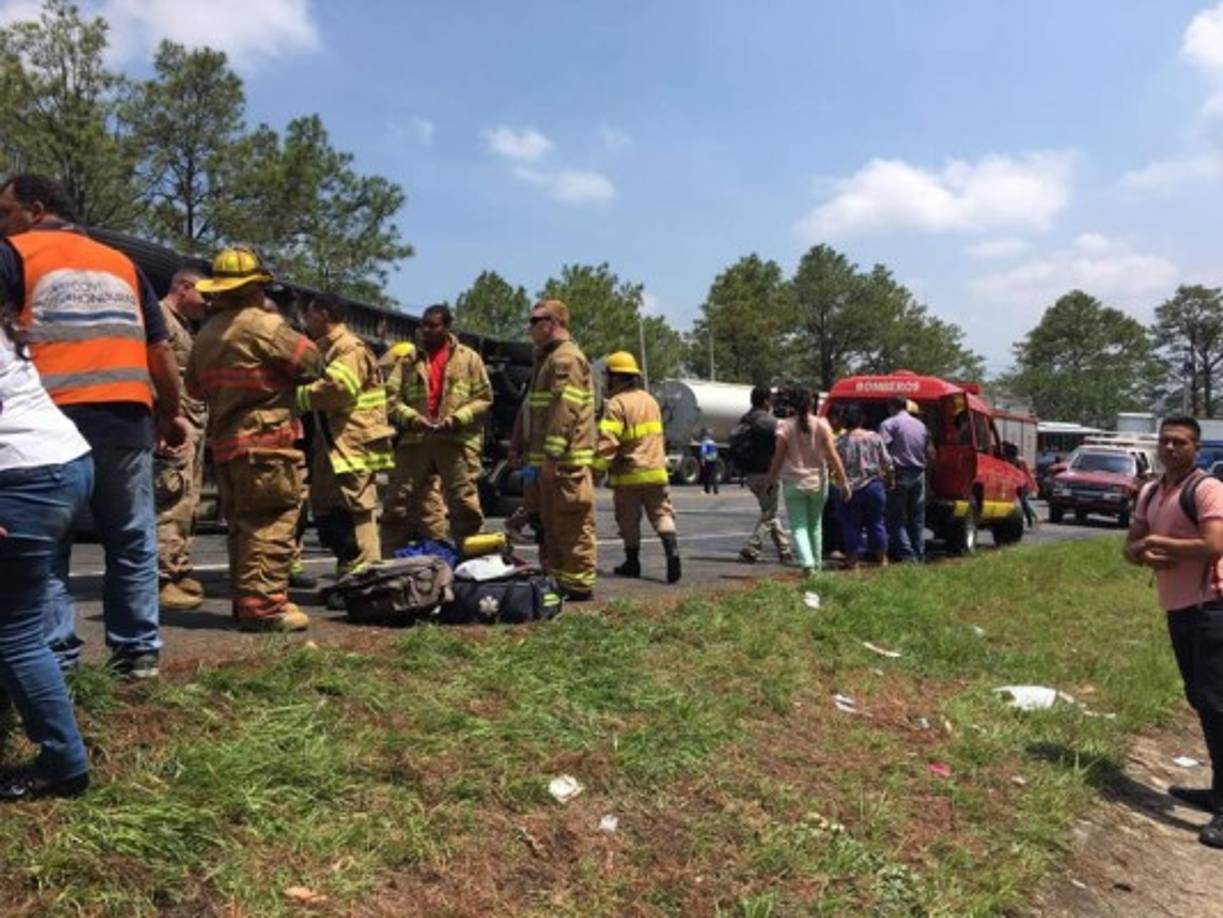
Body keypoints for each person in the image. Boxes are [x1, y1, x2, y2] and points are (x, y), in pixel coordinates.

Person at [0, 174, 186, 678]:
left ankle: (59, 661)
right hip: (125, 417)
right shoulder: (121, 264)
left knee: (49, 545)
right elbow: (161, 350)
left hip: (49, 421)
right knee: (131, 539)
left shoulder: (13, 254)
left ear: (35, 210)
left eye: (5, 212)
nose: (2, 224)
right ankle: (138, 654)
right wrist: (170, 413)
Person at [186, 248, 323, 632]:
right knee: (272, 523)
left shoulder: (206, 334)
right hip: (267, 442)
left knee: (242, 526)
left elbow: (194, 389)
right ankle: (264, 609)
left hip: (227, 445)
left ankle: (247, 602)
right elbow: (314, 364)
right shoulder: (265, 327)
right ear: (254, 287)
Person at [0, 304, 92, 800]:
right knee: (17, 617)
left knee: (13, 634)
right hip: (61, 465)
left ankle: (63, 764)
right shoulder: (5, 328)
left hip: (23, 479)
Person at [1125, 416, 1223, 849]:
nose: (1170, 448)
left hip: (1212, 608)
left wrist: (1157, 546)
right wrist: (1142, 552)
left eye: (1180, 442)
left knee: (1217, 704)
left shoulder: (1206, 489)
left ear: (1196, 448)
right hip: (1180, 608)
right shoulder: (1150, 491)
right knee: (1202, 700)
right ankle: (1218, 791)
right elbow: (1131, 545)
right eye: (1164, 441)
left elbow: (1214, 544)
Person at [297, 293, 394, 576]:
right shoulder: (327, 348)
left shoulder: (348, 348)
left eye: (310, 314)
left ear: (324, 314)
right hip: (335, 442)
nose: (306, 321)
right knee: (331, 508)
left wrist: (295, 398)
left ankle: (366, 577)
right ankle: (352, 571)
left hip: (352, 443)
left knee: (357, 508)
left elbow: (339, 388)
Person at [383, 304, 491, 552]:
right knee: (398, 502)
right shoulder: (408, 361)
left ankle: (473, 563)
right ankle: (387, 561)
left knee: (465, 506)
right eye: (424, 325)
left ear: (447, 327)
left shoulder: (468, 359)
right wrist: (412, 418)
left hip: (455, 441)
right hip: (417, 439)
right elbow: (390, 398)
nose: (426, 330)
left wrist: (457, 419)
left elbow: (484, 398)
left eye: (433, 325)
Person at [523, 299, 597, 600]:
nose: (529, 327)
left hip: (565, 463)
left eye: (534, 320)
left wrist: (552, 458)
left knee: (572, 525)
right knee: (552, 525)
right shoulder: (546, 358)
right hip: (548, 463)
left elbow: (564, 411)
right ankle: (559, 582)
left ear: (550, 323)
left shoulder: (567, 359)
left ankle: (578, 587)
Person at [594, 351, 681, 583]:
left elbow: (608, 442)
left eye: (608, 376)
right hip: (657, 472)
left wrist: (595, 470)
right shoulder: (650, 400)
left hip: (629, 474)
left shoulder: (616, 404)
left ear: (615, 377)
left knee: (628, 521)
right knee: (662, 513)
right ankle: (672, 552)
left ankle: (632, 563)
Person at [156, 269, 210, 610]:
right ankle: (160, 578)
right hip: (172, 426)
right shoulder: (160, 319)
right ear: (184, 287)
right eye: (204, 296)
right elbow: (155, 370)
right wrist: (163, 420)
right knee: (170, 497)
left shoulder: (185, 326)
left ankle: (178, 568)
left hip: (191, 424)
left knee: (188, 499)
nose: (208, 304)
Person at [766, 387, 848, 577]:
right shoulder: (822, 424)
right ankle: (816, 564)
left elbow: (777, 458)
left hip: (793, 483)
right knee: (815, 525)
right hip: (818, 482)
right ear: (812, 404)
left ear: (792, 405)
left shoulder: (784, 426)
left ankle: (807, 563)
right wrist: (844, 481)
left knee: (799, 526)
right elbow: (833, 456)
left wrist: (771, 479)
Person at [737, 386, 795, 565]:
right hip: (767, 474)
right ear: (765, 401)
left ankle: (785, 552)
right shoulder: (769, 422)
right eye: (771, 400)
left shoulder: (744, 419)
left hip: (749, 474)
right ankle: (752, 548)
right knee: (769, 514)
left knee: (769, 512)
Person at [836, 404, 893, 569]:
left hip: (850, 488)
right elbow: (887, 462)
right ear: (862, 419)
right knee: (877, 523)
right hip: (874, 486)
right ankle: (882, 560)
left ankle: (853, 562)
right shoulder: (874, 437)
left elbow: (834, 465)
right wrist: (890, 480)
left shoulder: (840, 442)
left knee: (851, 525)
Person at [879, 396, 930, 562]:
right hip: (919, 473)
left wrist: (884, 474)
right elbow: (928, 451)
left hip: (899, 473)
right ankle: (919, 553)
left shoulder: (888, 424)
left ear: (891, 406)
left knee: (895, 517)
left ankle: (908, 556)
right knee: (917, 518)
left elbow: (882, 451)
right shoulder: (920, 425)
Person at [699, 428, 720, 495]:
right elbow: (716, 451)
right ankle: (716, 490)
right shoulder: (713, 442)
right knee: (714, 475)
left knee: (707, 476)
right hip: (714, 459)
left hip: (708, 460)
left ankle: (707, 490)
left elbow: (703, 451)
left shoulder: (704, 442)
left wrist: (702, 459)